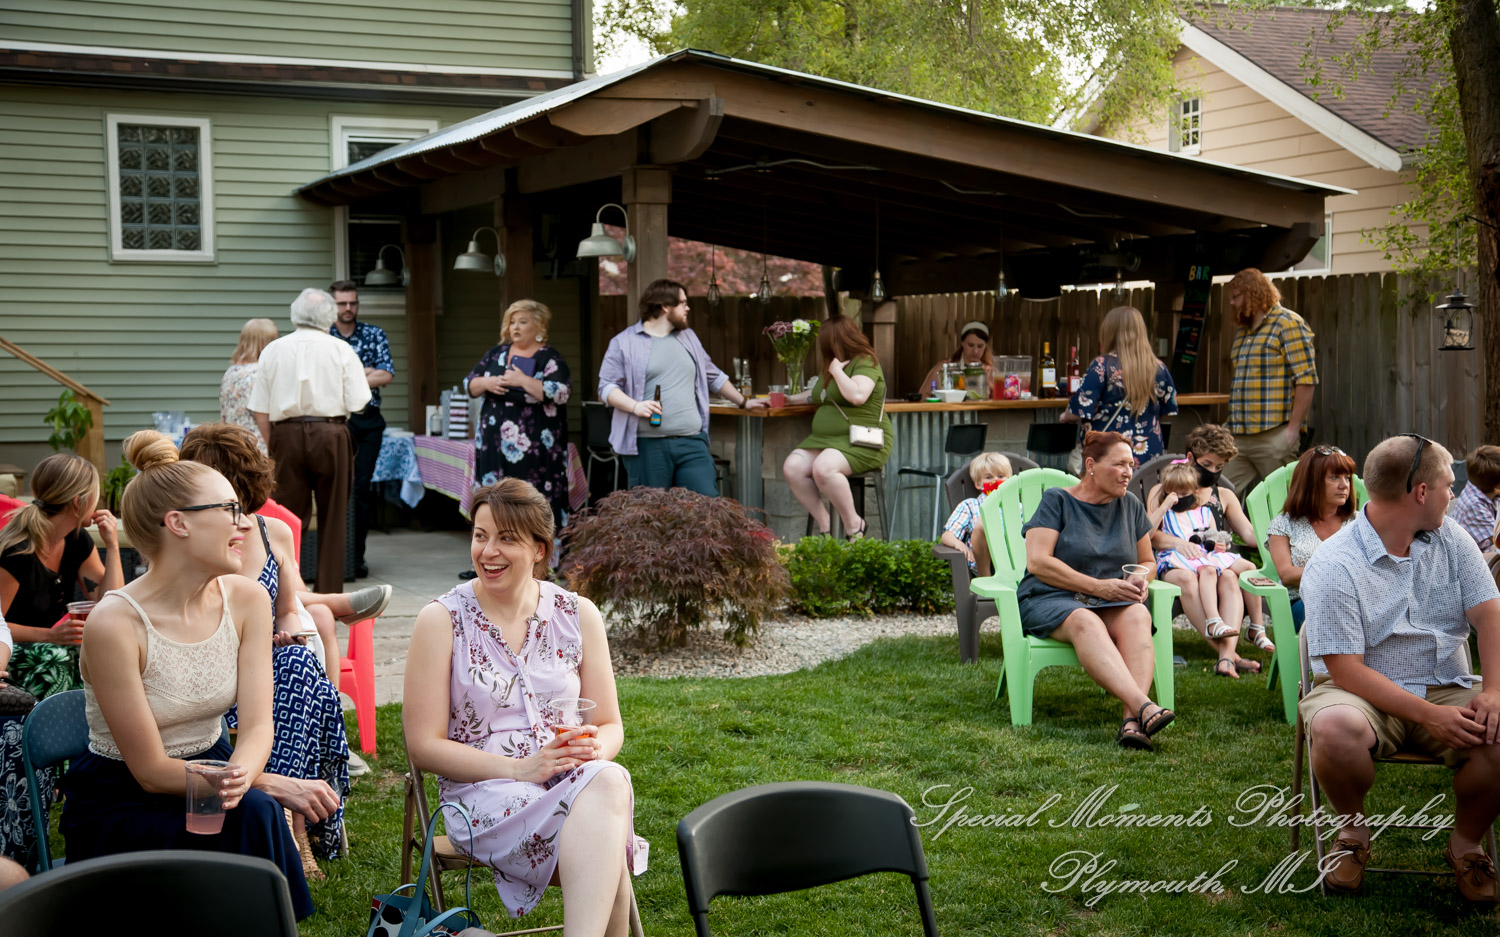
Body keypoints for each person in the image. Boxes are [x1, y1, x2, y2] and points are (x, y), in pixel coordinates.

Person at [58, 430, 313, 919]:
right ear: (177, 523)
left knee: (254, 812)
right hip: (122, 798)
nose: (244, 524)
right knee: (259, 809)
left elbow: (259, 725)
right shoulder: (115, 623)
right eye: (229, 511)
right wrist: (264, 784)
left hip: (215, 770)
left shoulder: (247, 599)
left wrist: (243, 779)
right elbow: (151, 773)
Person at [404, 479, 645, 931]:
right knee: (605, 847)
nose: (488, 551)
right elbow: (423, 746)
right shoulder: (441, 621)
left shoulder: (578, 615)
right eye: (480, 535)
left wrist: (590, 751)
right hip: (483, 791)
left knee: (610, 778)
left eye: (506, 539)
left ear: (539, 549)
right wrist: (522, 769)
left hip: (572, 780)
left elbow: (611, 724)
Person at [1299, 434, 1500, 902]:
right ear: (1421, 492)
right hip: (1360, 692)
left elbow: (1489, 614)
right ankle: (1351, 832)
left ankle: (1467, 843)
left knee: (1499, 727)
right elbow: (1346, 671)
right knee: (1333, 728)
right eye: (1449, 485)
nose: (1455, 494)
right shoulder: (1334, 563)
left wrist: (1491, 692)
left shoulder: (1452, 538)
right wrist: (1431, 717)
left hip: (1446, 683)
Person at [180, 423, 375, 874]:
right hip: (210, 672)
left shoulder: (273, 533)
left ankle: (293, 827)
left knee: (294, 664)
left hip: (267, 666)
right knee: (290, 674)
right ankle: (294, 827)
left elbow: (287, 608)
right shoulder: (187, 541)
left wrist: (290, 633)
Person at [1015, 431, 1174, 750]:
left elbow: (1147, 561)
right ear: (1091, 465)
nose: (1128, 471)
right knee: (1085, 621)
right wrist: (1099, 586)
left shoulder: (1130, 505)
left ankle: (1133, 720)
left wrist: (1141, 579)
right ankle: (1144, 706)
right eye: (1119, 464)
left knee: (1138, 615)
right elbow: (1038, 562)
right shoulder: (1057, 500)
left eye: (1131, 464)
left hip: (1109, 598)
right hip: (1051, 597)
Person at [250, 287, 371, 594]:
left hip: (284, 435)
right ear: (329, 317)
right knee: (334, 517)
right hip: (331, 433)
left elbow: (259, 408)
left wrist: (272, 443)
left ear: (296, 314)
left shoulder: (273, 350)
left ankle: (289, 592)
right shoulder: (341, 349)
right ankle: (329, 595)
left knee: (287, 517)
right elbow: (358, 402)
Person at [598, 279, 765, 496]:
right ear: (665, 305)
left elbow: (713, 375)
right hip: (648, 446)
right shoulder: (624, 342)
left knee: (707, 508)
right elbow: (606, 387)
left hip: (692, 442)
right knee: (652, 517)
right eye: (683, 303)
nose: (688, 308)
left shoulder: (688, 338)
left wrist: (745, 402)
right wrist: (635, 406)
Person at [1146, 424, 1269, 677]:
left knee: (1231, 579)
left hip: (1213, 561)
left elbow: (1248, 535)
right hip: (1179, 562)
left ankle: (1225, 658)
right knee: (1189, 581)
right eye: (1207, 464)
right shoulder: (1164, 489)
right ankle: (1232, 657)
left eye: (1219, 467)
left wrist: (1280, 533)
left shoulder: (1222, 495)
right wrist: (1179, 543)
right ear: (1191, 458)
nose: (1212, 471)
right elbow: (1151, 535)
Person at [0, 453, 123, 699]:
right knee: (59, 660)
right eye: (94, 497)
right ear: (78, 502)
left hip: (54, 646)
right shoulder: (17, 552)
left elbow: (111, 602)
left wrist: (112, 546)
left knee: (111, 653)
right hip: (13, 653)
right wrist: (50, 636)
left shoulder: (76, 539)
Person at [781, 315, 894, 539]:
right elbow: (818, 395)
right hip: (827, 441)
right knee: (792, 467)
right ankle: (826, 526)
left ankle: (854, 526)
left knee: (823, 468)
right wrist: (789, 400)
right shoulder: (833, 365)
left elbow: (858, 396)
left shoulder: (866, 362)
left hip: (861, 440)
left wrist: (837, 372)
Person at [465, 299, 573, 528]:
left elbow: (561, 393)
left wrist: (523, 381)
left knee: (533, 501)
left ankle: (543, 558)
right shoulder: (497, 354)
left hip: (537, 449)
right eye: (512, 322)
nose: (515, 327)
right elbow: (470, 384)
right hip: (493, 446)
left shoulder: (550, 357)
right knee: (495, 497)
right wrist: (487, 382)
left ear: (538, 327)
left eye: (522, 322)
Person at [1222, 268, 1319, 492]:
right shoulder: (1243, 334)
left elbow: (1306, 380)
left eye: (1236, 297)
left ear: (1253, 293)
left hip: (1274, 437)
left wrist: (1292, 430)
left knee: (1283, 503)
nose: (1232, 303)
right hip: (1239, 438)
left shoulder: (1288, 324)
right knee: (1218, 495)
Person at [329, 280, 394, 580]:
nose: (348, 309)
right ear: (333, 305)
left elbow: (386, 374)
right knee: (333, 489)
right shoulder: (323, 336)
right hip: (333, 420)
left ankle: (357, 557)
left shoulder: (373, 333)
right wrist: (364, 373)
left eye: (352, 303)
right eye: (342, 303)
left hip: (367, 420)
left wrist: (347, 378)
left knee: (361, 489)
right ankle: (334, 555)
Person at [1062, 306, 1177, 463]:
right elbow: (1167, 410)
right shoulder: (1159, 368)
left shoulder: (1102, 366)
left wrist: (1064, 416)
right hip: (1150, 456)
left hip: (1108, 455)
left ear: (1109, 332)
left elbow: (1080, 409)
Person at [1266, 444, 1357, 629]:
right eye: (1334, 477)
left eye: (1347, 478)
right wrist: (1339, 572)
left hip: (1352, 600)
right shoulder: (1284, 524)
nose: (1344, 485)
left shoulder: (1357, 523)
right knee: (1334, 612)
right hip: (1302, 601)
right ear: (1312, 482)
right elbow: (1287, 574)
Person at [939, 451, 1013, 576]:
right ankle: (986, 578)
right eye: (989, 477)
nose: (995, 481)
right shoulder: (970, 506)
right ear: (978, 484)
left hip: (1015, 564)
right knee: (982, 525)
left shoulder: (1017, 506)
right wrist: (958, 544)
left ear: (1009, 480)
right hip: (985, 563)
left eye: (1001, 476)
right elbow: (947, 535)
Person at [219, 317, 279, 454]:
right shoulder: (260, 373)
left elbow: (224, 415)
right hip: (257, 449)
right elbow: (264, 415)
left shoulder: (231, 372)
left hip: (231, 445)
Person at [918, 320, 993, 397]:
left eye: (980, 346)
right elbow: (922, 395)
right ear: (962, 343)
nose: (975, 351)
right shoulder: (943, 368)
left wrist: (990, 386)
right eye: (970, 345)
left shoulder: (990, 371)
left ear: (985, 346)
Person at [1451, 444, 1500, 555]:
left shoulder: (1479, 484)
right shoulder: (1475, 505)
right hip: (1467, 559)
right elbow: (1497, 541)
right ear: (1497, 486)